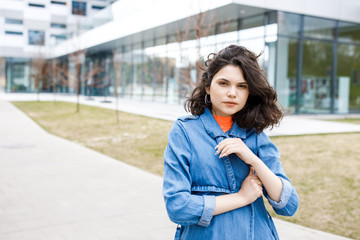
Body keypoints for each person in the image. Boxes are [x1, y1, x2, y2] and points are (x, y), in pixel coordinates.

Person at [162, 45, 299, 240]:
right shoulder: (185, 132)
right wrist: (242, 197)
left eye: (242, 86)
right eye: (224, 83)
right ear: (208, 87)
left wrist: (254, 160)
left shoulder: (256, 135)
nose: (232, 93)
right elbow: (178, 208)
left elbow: (289, 205)